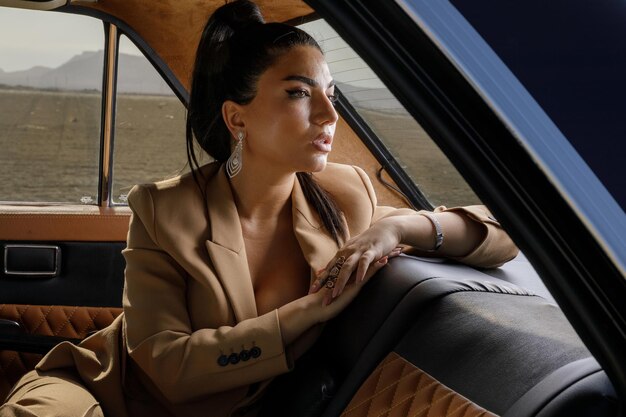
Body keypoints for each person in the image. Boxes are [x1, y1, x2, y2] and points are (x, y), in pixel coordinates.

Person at [0, 1, 518, 416]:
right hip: (100, 393)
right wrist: (307, 312)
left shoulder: (345, 196)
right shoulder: (163, 208)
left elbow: (502, 229)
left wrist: (402, 225)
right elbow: (169, 371)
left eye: (332, 94)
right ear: (237, 117)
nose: (329, 114)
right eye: (299, 92)